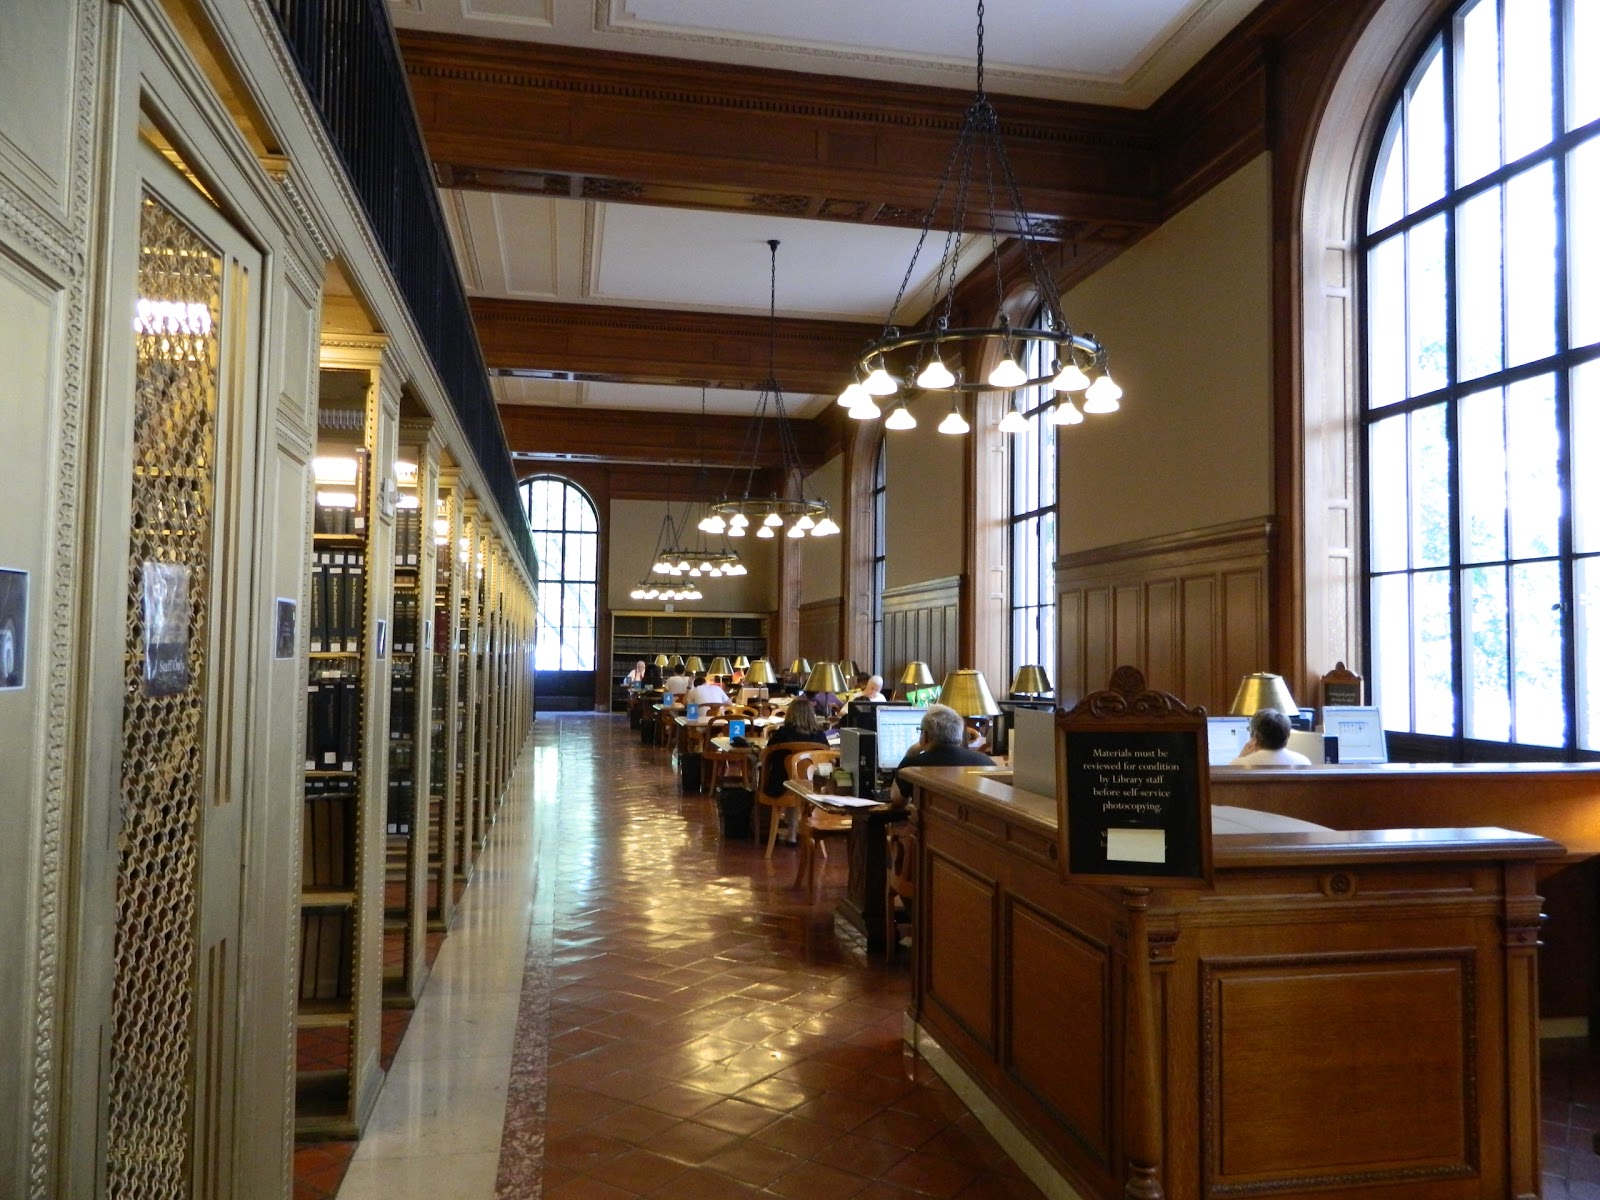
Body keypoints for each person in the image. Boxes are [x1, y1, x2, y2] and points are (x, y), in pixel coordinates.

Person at [895, 703, 994, 799]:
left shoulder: (911, 765)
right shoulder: (984, 761)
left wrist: (911, 752)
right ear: (959, 736)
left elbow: (897, 802)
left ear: (925, 736)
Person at [760, 700, 830, 798]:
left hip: (781, 787)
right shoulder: (820, 736)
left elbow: (764, 756)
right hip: (814, 789)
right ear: (811, 715)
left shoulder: (781, 734)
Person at [1228, 708, 1312, 767]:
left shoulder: (1239, 765)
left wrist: (1241, 757)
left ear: (1255, 737)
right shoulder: (1304, 762)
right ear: (1288, 736)